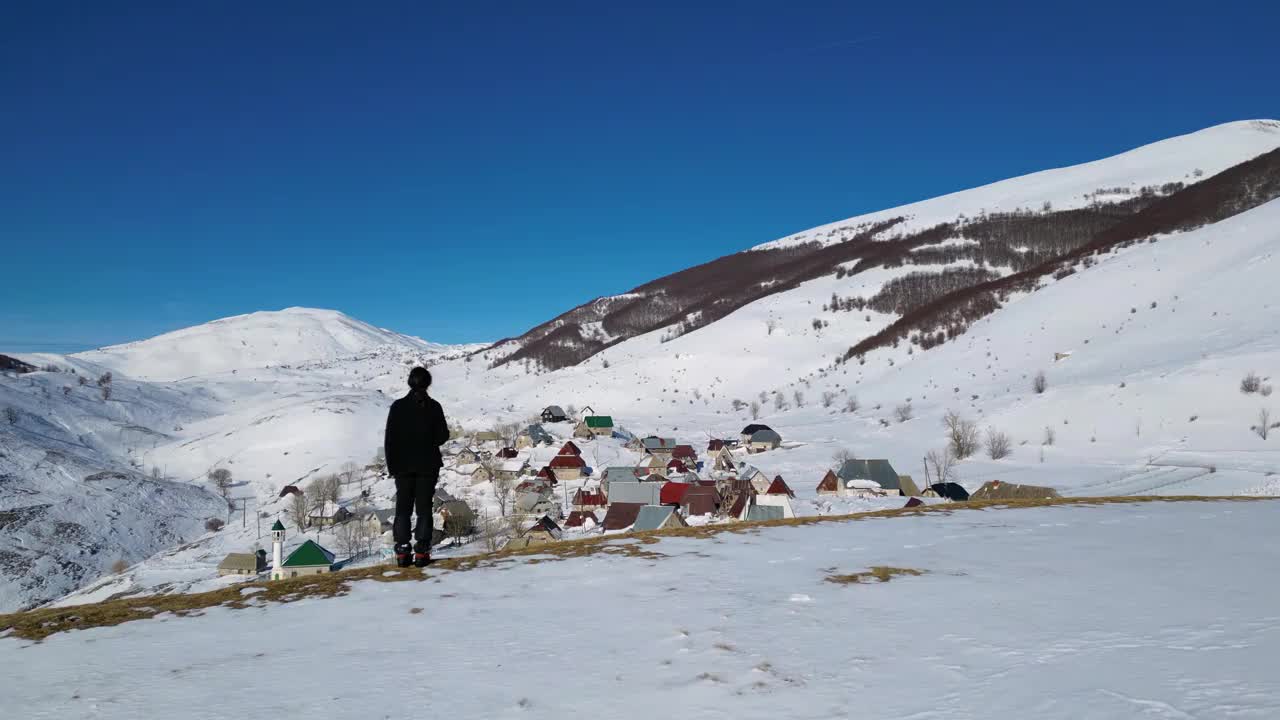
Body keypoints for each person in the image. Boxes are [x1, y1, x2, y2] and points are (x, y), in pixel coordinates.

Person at [384, 366, 449, 567]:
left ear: (410, 383)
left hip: (402, 466)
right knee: (424, 509)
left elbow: (390, 440)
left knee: (402, 508)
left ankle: (403, 552)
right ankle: (422, 552)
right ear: (428, 384)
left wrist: (393, 466)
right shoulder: (434, 407)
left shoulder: (397, 406)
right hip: (428, 465)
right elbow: (442, 436)